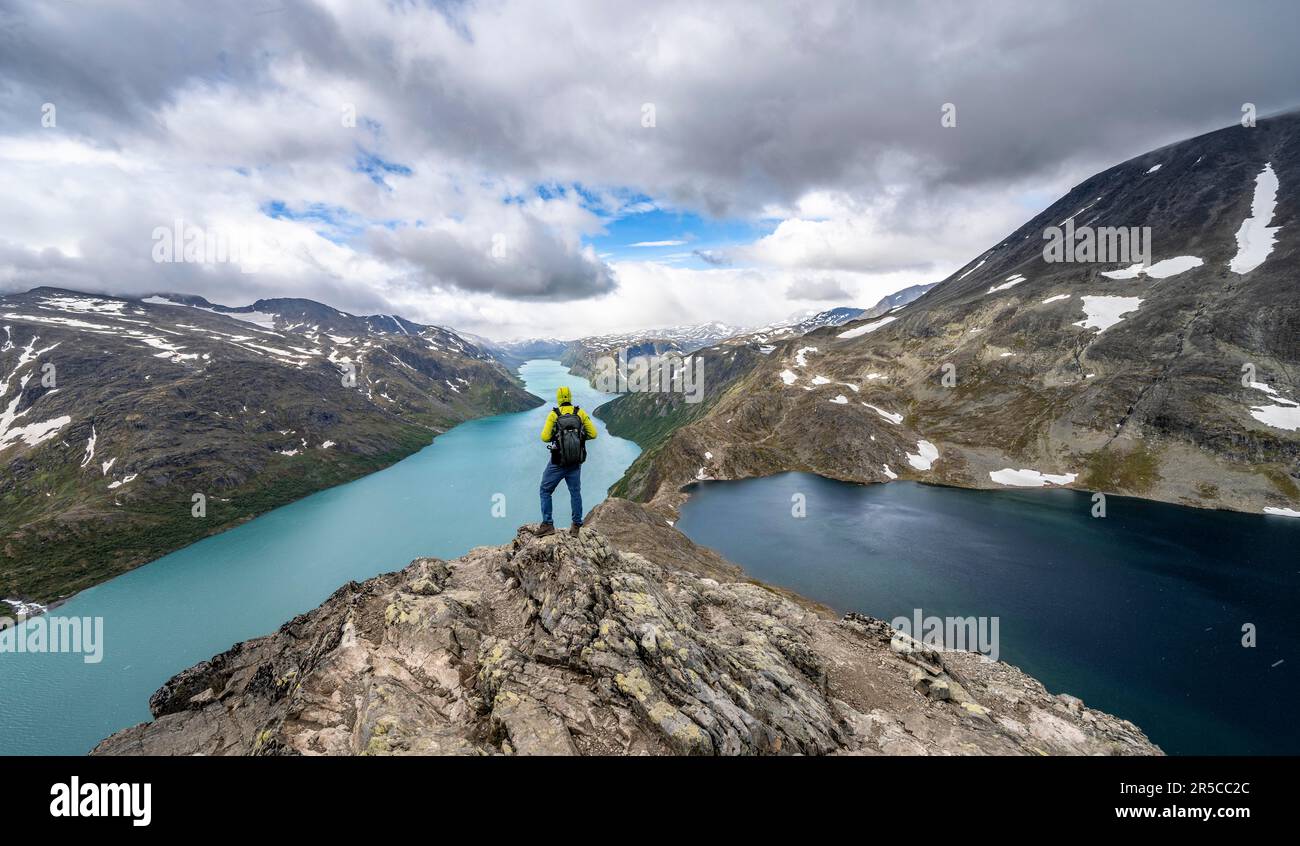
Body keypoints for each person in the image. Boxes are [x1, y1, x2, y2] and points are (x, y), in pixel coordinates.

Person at [537, 385, 598, 536]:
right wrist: (579, 437)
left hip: (558, 462)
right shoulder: (580, 413)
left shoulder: (554, 415)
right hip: (575, 461)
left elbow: (544, 437)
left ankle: (548, 524)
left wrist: (556, 436)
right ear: (570, 397)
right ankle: (576, 525)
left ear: (558, 398)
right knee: (575, 493)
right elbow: (594, 434)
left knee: (545, 490)